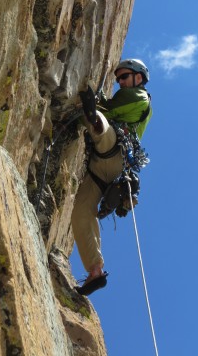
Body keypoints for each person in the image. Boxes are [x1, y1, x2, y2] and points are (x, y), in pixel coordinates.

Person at [72, 58, 152, 296]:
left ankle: (92, 120)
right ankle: (95, 271)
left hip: (116, 152)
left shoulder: (139, 96)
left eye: (124, 77)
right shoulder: (128, 94)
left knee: (103, 127)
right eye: (118, 79)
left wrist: (92, 108)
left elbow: (111, 109)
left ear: (139, 78)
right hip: (101, 168)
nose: (120, 82)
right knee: (81, 211)